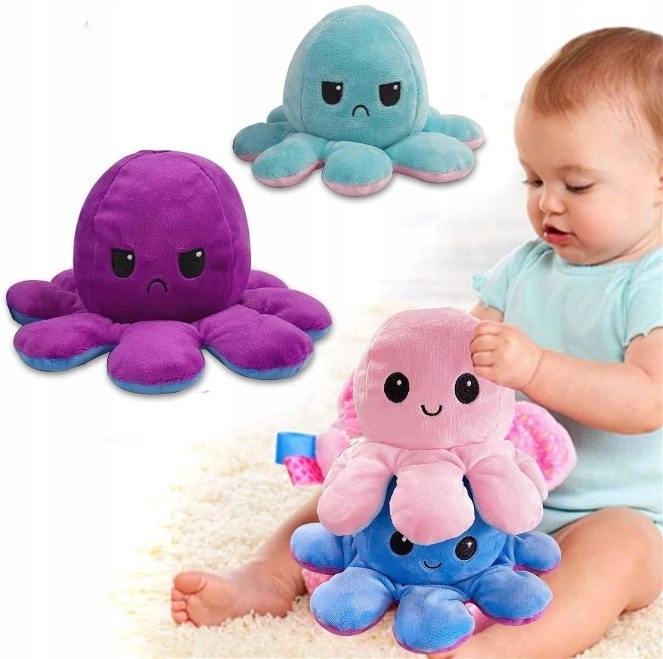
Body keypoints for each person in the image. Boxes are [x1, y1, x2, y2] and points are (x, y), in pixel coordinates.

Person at [171, 26, 663, 658]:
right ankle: (268, 574)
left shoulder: (649, 284)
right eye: (533, 180)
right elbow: (453, 363)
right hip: (481, 485)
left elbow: (648, 399)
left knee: (622, 553)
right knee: (364, 477)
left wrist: (536, 368)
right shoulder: (521, 270)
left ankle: (507, 649)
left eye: (577, 185)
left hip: (606, 510)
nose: (549, 204)